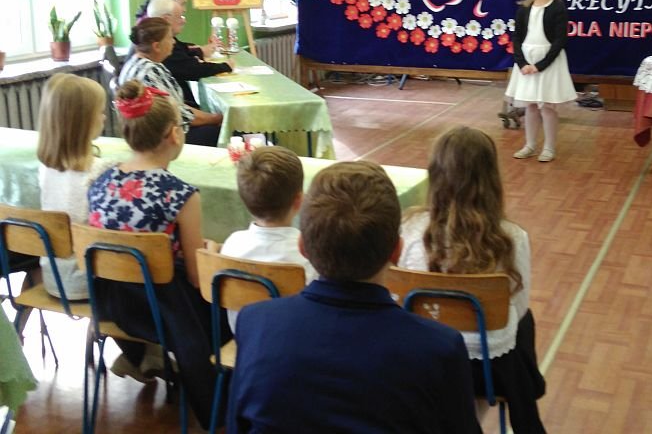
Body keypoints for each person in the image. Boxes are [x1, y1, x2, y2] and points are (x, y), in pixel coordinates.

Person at [227, 161, 482, 434]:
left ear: (303, 248)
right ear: (396, 252)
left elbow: (237, 425)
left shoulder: (255, 323)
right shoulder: (438, 349)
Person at [87, 80, 226, 429]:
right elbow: (195, 277)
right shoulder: (180, 194)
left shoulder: (101, 180)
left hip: (113, 301)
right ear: (174, 134)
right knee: (231, 305)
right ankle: (224, 397)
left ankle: (149, 360)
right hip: (165, 309)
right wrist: (211, 251)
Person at [399, 126, 547, 434]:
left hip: (423, 362)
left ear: (435, 175)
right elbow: (518, 309)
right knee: (524, 320)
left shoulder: (409, 229)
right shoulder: (512, 237)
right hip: (488, 371)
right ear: (491, 178)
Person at [220, 145, 316, 332]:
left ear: (244, 200)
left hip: (245, 339)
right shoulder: (309, 254)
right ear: (299, 201)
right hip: (296, 341)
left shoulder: (233, 244)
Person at [36, 73, 108, 300]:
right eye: (100, 112)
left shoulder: (44, 167)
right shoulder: (100, 170)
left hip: (52, 277)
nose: (105, 117)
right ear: (84, 122)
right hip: (91, 281)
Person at [506, 0, 577, 162]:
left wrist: (540, 66)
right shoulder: (524, 9)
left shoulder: (558, 9)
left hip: (548, 63)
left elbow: (559, 41)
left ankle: (549, 147)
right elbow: (517, 38)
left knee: (547, 106)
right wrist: (522, 63)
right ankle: (530, 145)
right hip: (526, 63)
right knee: (530, 105)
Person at [118, 16, 223, 147]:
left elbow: (177, 105)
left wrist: (212, 117)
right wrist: (216, 118)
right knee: (227, 133)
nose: (173, 42)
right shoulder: (152, 71)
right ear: (157, 46)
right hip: (162, 138)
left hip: (143, 133)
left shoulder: (132, 63)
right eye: (169, 38)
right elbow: (179, 115)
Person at [145, 0, 233, 107]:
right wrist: (225, 66)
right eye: (180, 17)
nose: (184, 20)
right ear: (166, 19)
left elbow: (183, 50)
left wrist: (198, 51)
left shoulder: (154, 38)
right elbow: (191, 68)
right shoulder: (161, 45)